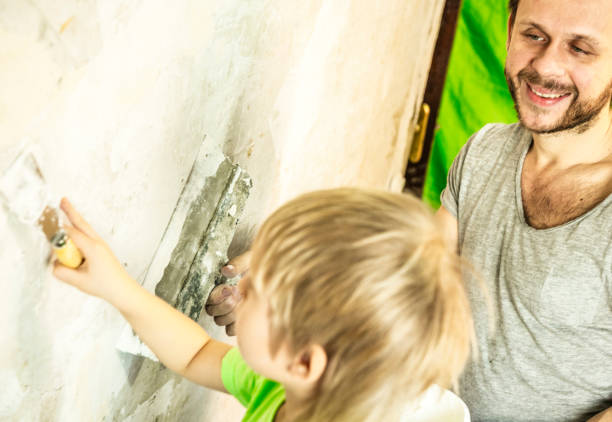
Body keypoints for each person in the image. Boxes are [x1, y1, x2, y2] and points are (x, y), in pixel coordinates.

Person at [209, 0, 612, 420]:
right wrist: (289, 277)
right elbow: (410, 270)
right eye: (534, 35)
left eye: (580, 49)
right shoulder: (484, 151)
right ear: (510, 28)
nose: (546, 65)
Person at [53, 188, 475, 422]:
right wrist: (117, 287)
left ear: (305, 362)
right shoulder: (284, 390)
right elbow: (196, 354)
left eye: (258, 290)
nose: (245, 280)